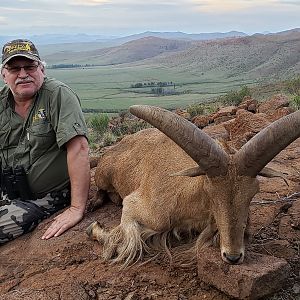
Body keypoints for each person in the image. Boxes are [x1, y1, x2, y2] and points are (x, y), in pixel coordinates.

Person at [0, 39, 90, 244]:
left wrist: (76, 209)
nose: (23, 74)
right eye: (14, 68)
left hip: (47, 195)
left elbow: (79, 149)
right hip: (7, 189)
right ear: (4, 75)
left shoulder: (57, 95)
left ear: (41, 69)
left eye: (30, 67)